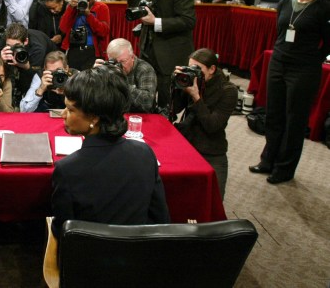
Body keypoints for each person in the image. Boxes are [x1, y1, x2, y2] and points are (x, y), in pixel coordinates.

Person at [50, 64, 170, 238]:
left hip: (89, 260)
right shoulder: (145, 153)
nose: (63, 115)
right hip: (138, 256)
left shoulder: (67, 169)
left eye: (70, 109)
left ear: (94, 118)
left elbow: (63, 231)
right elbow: (160, 218)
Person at [249, 0, 330, 184]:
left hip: (304, 69)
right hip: (278, 63)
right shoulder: (285, 3)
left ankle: (284, 169)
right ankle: (268, 160)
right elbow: (281, 34)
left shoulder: (324, 8)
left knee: (294, 120)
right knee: (273, 114)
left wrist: (312, 58)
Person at [127, 0, 196, 109]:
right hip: (148, 52)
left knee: (166, 104)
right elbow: (137, 12)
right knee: (145, 98)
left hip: (168, 54)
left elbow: (188, 20)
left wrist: (156, 22)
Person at [171, 48, 237, 199]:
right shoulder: (191, 80)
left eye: (197, 69)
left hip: (212, 149)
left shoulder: (228, 91)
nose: (193, 73)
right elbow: (175, 109)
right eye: (190, 68)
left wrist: (196, 96)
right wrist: (177, 84)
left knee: (214, 199)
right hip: (187, 142)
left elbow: (212, 125)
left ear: (212, 69)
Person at [0, 23, 57, 107]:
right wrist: (1, 61)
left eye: (16, 46)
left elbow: (36, 76)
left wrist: (26, 66)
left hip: (48, 61)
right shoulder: (5, 39)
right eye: (9, 46)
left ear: (25, 41)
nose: (12, 49)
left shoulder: (38, 48)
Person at [59, 0, 110, 71]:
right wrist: (70, 8)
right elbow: (63, 28)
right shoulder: (73, 7)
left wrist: (88, 15)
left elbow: (103, 31)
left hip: (93, 51)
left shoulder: (101, 7)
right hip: (74, 50)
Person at [95, 38, 157, 113]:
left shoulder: (145, 69)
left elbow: (147, 103)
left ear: (132, 57)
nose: (118, 66)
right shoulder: (108, 69)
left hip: (138, 116)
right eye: (114, 62)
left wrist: (120, 83)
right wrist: (94, 76)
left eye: (122, 61)